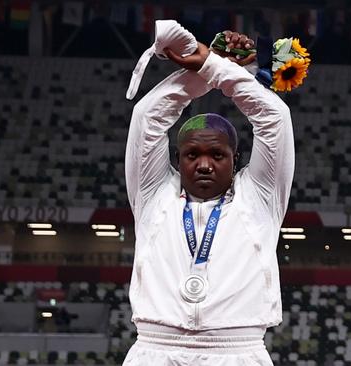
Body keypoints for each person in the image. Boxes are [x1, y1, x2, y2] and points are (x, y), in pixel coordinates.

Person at [124, 30, 294, 366]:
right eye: (192, 155)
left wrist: (218, 69)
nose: (204, 164)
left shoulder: (260, 198)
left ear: (235, 158)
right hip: (155, 351)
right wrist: (207, 69)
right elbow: (149, 117)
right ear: (178, 157)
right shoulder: (152, 193)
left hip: (237, 352)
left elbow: (274, 120)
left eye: (216, 155)